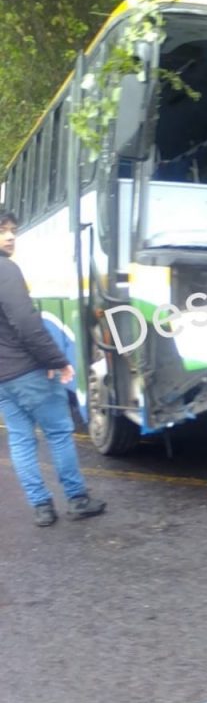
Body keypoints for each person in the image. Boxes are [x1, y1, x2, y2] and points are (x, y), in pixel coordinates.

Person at [0, 211, 106, 526]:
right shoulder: (5, 269)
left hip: (2, 379)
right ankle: (77, 500)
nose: (9, 237)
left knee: (20, 440)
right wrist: (56, 361)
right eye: (1, 231)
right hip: (28, 372)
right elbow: (26, 321)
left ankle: (42, 508)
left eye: (12, 230)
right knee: (59, 432)